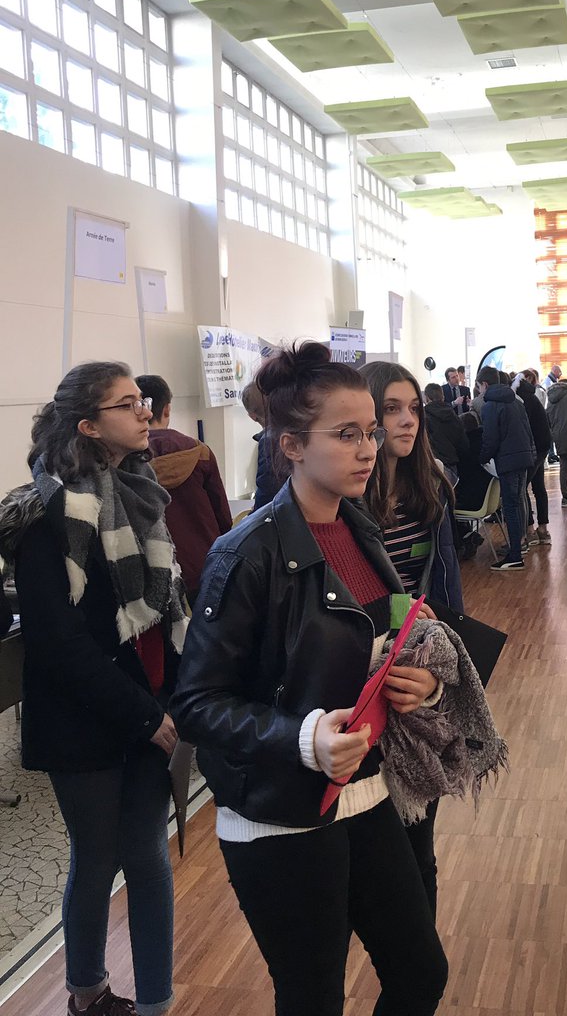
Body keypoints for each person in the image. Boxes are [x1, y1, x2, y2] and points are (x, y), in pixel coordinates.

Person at [170, 342, 448, 1016]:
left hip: (367, 789)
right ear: (291, 445)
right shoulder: (245, 554)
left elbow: (378, 641)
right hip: (279, 812)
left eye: (371, 433)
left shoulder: (359, 527)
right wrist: (304, 738)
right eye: (347, 434)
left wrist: (422, 683)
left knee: (420, 972)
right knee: (313, 995)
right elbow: (197, 703)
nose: (368, 450)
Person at [0, 362, 184, 1016]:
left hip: (149, 708)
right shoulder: (44, 516)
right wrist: (146, 716)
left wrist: (175, 700)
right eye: (127, 404)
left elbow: (166, 610)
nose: (145, 412)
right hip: (86, 718)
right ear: (88, 426)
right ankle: (87, 993)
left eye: (142, 402)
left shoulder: (141, 492)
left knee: (149, 858)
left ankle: (156, 1001)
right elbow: (61, 644)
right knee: (97, 858)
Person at [359, 361, 464, 917]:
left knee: (420, 837)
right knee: (375, 845)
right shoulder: (346, 497)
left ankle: (422, 951)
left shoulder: (431, 483)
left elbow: (445, 582)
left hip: (419, 674)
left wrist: (447, 663)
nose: (408, 421)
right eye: (391, 409)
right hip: (363, 676)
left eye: (414, 409)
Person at [136, 373, 232, 605]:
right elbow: (223, 516)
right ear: (167, 409)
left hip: (151, 568)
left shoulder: (127, 460)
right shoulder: (200, 452)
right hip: (204, 563)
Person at [477, 366, 535, 571]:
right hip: (524, 457)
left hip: (507, 461)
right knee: (517, 503)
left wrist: (482, 458)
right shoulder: (516, 401)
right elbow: (528, 431)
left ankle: (515, 555)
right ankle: (519, 547)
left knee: (510, 507)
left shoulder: (490, 406)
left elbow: (491, 438)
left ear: (484, 384)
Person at [513, 374, 553, 547]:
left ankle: (530, 531)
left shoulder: (521, 400)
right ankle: (543, 529)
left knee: (523, 488)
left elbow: (524, 427)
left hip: (534, 447)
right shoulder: (531, 395)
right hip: (543, 445)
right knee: (539, 487)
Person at [242, 379, 279, 510]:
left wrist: (253, 517)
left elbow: (268, 493)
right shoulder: (300, 428)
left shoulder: (269, 441)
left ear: (252, 416)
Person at [421, 382, 468, 484]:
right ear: (443, 397)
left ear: (427, 398)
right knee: (451, 492)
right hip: (452, 463)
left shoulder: (423, 417)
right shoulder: (453, 416)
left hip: (432, 464)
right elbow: (463, 442)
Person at [546, 375, 567, 506]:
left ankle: (565, 497)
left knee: (563, 466)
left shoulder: (550, 400)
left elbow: (548, 419)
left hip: (558, 436)